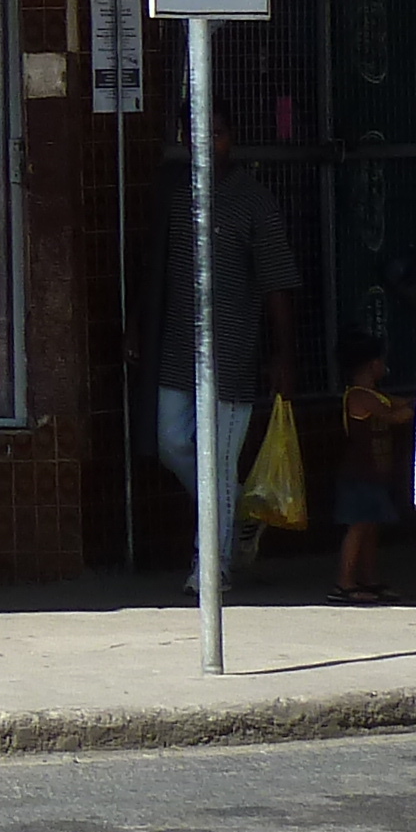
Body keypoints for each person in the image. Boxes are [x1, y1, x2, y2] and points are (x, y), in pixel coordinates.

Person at [147, 158, 294, 584]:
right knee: (171, 441)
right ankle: (237, 509)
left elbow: (276, 281)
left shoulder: (252, 199)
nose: (210, 142)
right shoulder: (178, 196)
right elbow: (156, 265)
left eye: (219, 132)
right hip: (179, 347)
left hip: (232, 351)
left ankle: (211, 567)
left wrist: (284, 354)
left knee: (221, 461)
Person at [331, 338, 410, 607]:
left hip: (374, 475)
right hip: (359, 473)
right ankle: (344, 582)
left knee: (371, 527)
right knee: (358, 526)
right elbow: (394, 415)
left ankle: (368, 578)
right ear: (372, 364)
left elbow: (394, 403)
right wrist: (414, 408)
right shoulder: (358, 395)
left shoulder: (375, 395)